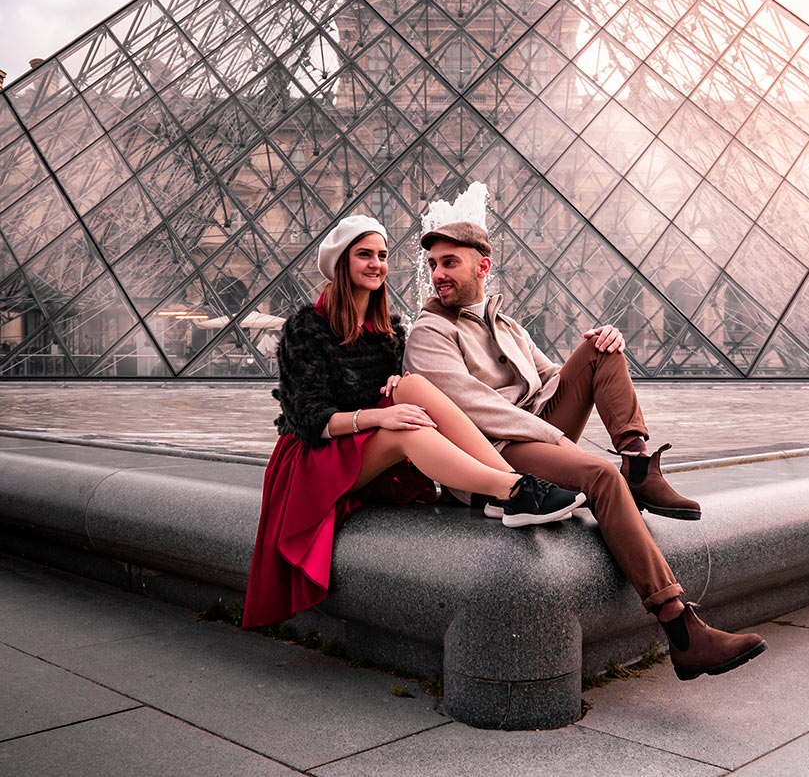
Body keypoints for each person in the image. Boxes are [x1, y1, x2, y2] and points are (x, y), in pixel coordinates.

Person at [403, 220, 767, 681]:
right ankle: (680, 628)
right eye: (434, 264)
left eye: (449, 262)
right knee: (599, 476)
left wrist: (601, 347)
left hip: (534, 432)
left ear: (483, 266)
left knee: (602, 346)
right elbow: (467, 405)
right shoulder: (429, 332)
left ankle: (638, 463)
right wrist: (551, 436)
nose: (437, 274)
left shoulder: (509, 326)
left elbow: (552, 377)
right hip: (493, 452)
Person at [242, 214, 585, 628]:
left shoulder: (390, 331)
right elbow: (310, 420)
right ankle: (512, 487)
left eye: (382, 255)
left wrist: (394, 392)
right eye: (364, 255)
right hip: (315, 456)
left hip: (367, 444)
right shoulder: (307, 328)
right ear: (341, 264)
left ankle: (511, 489)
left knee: (414, 386)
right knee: (406, 428)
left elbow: (401, 395)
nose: (376, 264)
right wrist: (381, 415)